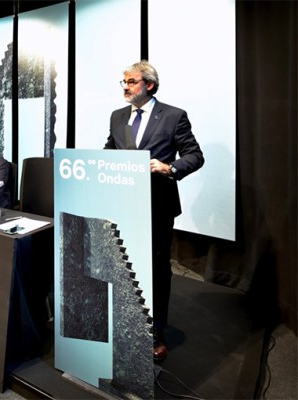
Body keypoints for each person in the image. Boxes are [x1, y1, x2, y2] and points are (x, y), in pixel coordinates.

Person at [104, 60, 204, 362]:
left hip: (157, 205)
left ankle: (156, 330)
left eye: (131, 81)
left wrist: (169, 167)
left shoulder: (173, 116)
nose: (125, 87)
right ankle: (125, 321)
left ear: (149, 84)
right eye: (123, 81)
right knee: (123, 264)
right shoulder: (117, 116)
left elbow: (194, 155)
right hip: (122, 203)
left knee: (156, 269)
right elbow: (109, 151)